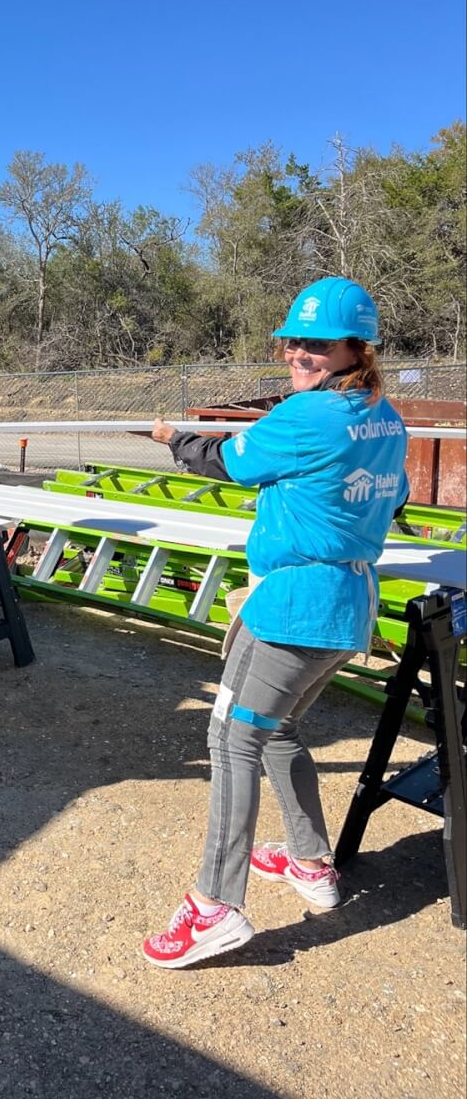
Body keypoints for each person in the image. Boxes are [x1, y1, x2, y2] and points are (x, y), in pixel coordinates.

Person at [141, 277, 409, 968]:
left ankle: (214, 905)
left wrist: (172, 438)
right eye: (293, 340)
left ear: (355, 349)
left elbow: (226, 461)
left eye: (316, 343)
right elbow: (395, 496)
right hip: (348, 606)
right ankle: (309, 862)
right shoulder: (383, 415)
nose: (298, 352)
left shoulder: (306, 414)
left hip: (293, 609)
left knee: (231, 739)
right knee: (278, 730)